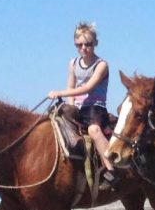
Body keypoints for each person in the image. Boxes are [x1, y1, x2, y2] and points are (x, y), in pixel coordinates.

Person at [47, 21, 115, 188]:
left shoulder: (101, 65)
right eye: (79, 45)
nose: (84, 48)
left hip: (95, 108)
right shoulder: (73, 63)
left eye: (88, 44)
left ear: (95, 44)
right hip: (78, 107)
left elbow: (87, 87)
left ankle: (111, 170)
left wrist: (59, 93)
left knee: (94, 130)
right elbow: (71, 85)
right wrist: (71, 106)